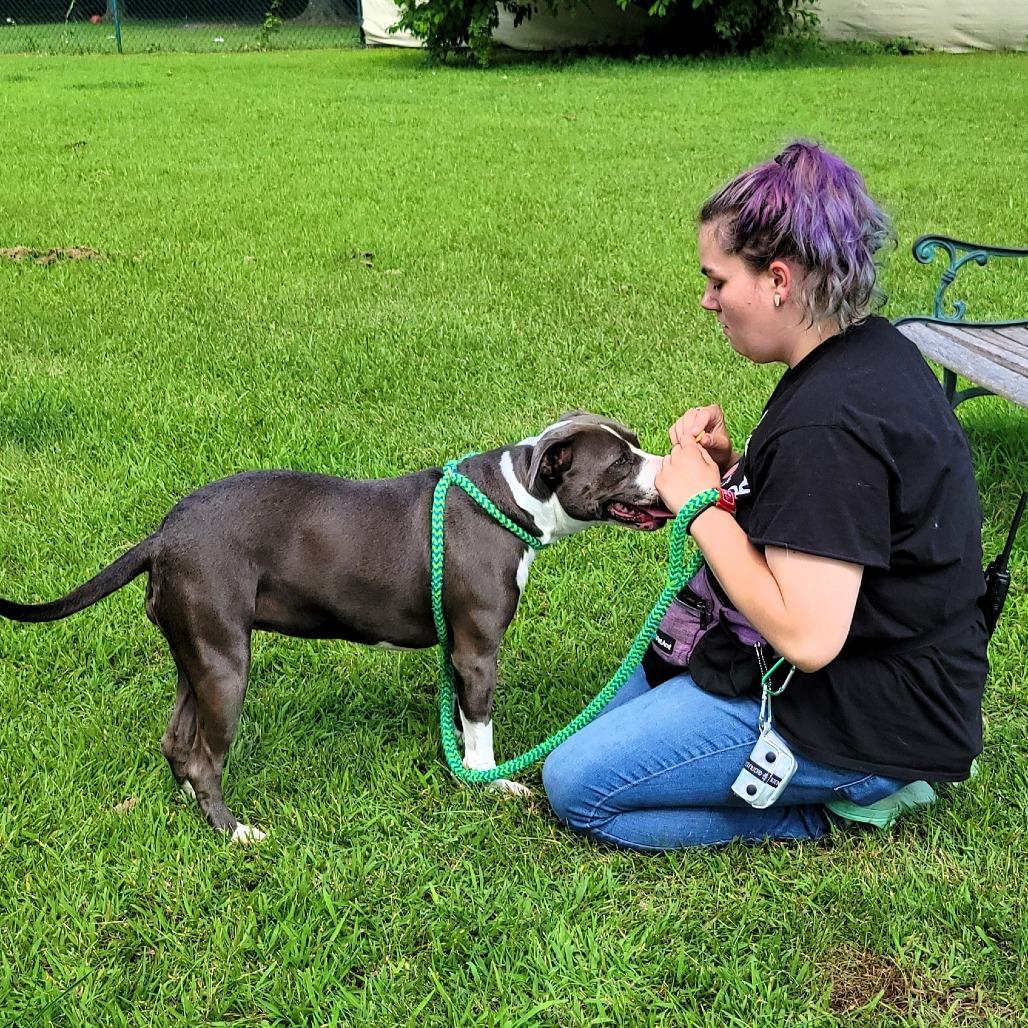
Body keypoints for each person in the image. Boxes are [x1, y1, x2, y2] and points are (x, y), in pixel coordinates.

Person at [541, 140, 989, 851]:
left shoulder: (830, 422)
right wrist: (738, 470)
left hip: (868, 709)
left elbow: (808, 639)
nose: (707, 299)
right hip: (905, 671)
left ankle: (826, 806)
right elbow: (841, 507)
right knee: (610, 733)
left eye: (718, 281)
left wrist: (699, 507)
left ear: (778, 280)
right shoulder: (866, 348)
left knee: (577, 785)